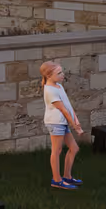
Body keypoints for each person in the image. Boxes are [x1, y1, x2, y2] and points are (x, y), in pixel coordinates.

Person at [42, 60, 82, 189]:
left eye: (61, 72)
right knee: (57, 150)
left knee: (74, 148)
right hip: (55, 123)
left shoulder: (58, 86)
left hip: (62, 122)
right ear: (49, 76)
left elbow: (68, 105)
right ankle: (57, 180)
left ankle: (67, 176)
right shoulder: (50, 90)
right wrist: (74, 126)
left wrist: (76, 120)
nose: (62, 75)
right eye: (58, 73)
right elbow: (63, 110)